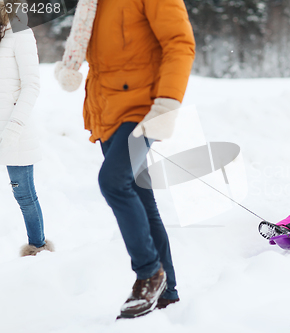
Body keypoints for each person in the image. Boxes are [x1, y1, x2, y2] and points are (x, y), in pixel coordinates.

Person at [54, 0, 195, 318]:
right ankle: (168, 291)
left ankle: (149, 274)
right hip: (108, 113)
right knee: (143, 200)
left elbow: (179, 44)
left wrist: (167, 102)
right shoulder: (92, 3)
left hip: (143, 110)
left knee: (113, 181)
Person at [0, 0, 53, 256]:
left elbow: (31, 85)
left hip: (14, 130)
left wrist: (14, 128)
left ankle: (38, 248)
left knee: (24, 196)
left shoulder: (20, 33)